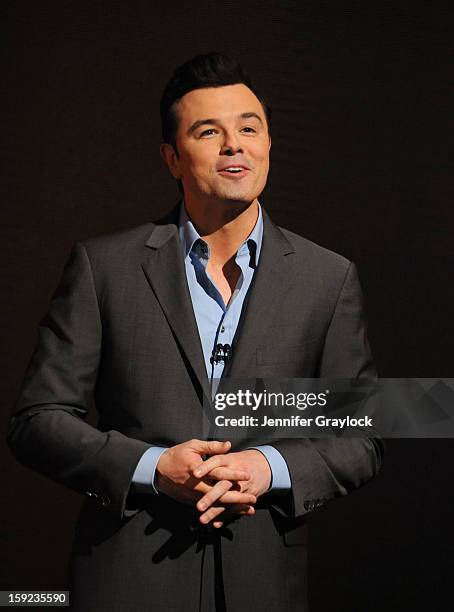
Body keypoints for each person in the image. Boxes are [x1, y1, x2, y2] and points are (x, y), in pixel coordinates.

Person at [8, 52, 383, 611]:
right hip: (127, 582)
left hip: (264, 585)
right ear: (172, 157)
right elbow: (38, 422)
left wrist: (269, 468)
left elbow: (361, 434)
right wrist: (153, 468)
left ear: (269, 145)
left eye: (249, 128)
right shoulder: (103, 267)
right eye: (210, 131)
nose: (235, 144)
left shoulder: (327, 278)